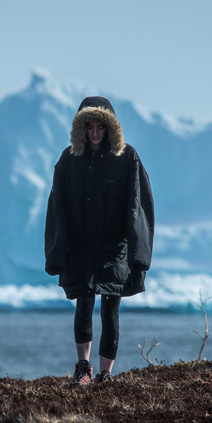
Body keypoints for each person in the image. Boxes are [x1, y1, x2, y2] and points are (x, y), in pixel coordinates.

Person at [45, 96, 155, 386]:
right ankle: (83, 369)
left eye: (100, 127)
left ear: (110, 128)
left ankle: (105, 374)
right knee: (83, 303)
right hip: (80, 249)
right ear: (81, 128)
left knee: (111, 309)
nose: (95, 133)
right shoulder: (68, 160)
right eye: (89, 127)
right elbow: (56, 207)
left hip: (113, 251)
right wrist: (57, 252)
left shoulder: (127, 157)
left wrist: (138, 256)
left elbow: (138, 205)